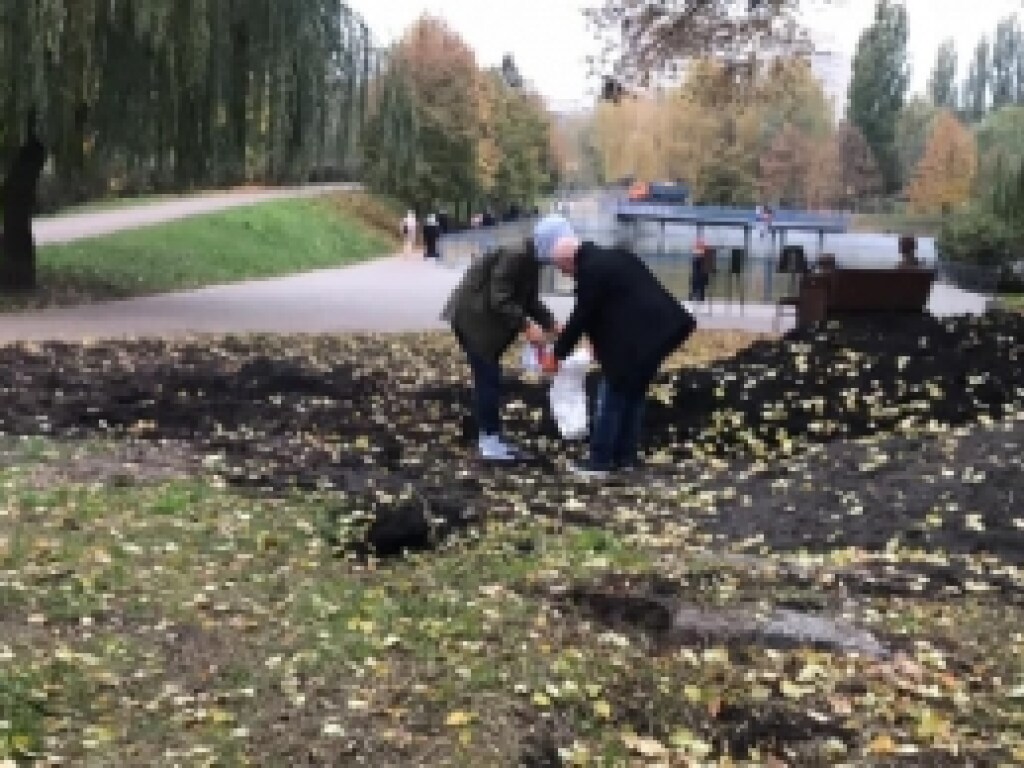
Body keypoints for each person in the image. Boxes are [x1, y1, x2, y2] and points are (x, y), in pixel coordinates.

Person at [537, 215, 696, 480]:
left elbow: (582, 316)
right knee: (632, 393)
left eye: (557, 265)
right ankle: (625, 458)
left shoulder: (590, 270)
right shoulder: (613, 258)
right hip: (664, 331)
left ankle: (600, 461)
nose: (561, 271)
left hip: (643, 337)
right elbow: (610, 311)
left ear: (565, 258)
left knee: (611, 394)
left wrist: (557, 355)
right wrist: (599, 345)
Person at [441, 240, 559, 461]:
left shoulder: (532, 259)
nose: (559, 263)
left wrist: (550, 322)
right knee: (488, 379)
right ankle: (489, 442)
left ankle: (487, 433)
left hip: (484, 322)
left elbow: (529, 300)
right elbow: (500, 298)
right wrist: (526, 326)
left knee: (489, 378)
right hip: (473, 321)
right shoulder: (515, 255)